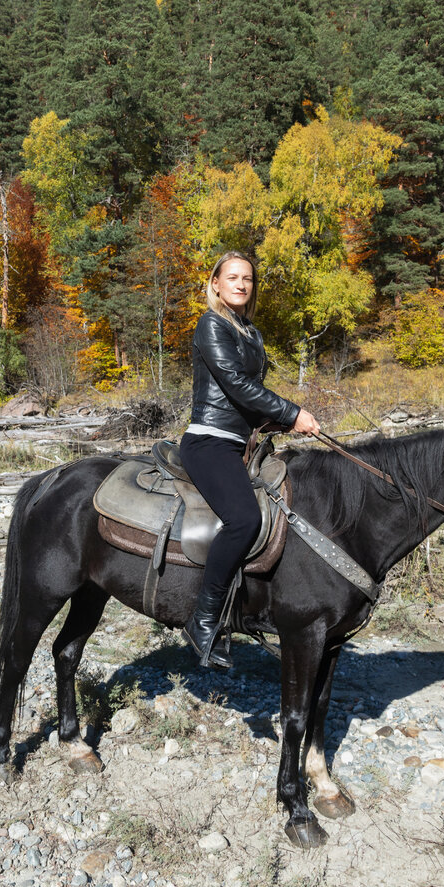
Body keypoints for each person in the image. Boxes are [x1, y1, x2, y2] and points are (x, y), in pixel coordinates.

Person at [180, 251, 320, 669]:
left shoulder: (250, 332)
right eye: (233, 277)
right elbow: (237, 386)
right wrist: (291, 412)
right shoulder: (212, 325)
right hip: (209, 442)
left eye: (248, 279)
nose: (241, 284)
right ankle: (203, 620)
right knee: (244, 519)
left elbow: (247, 396)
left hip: (240, 442)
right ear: (216, 284)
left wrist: (276, 422)